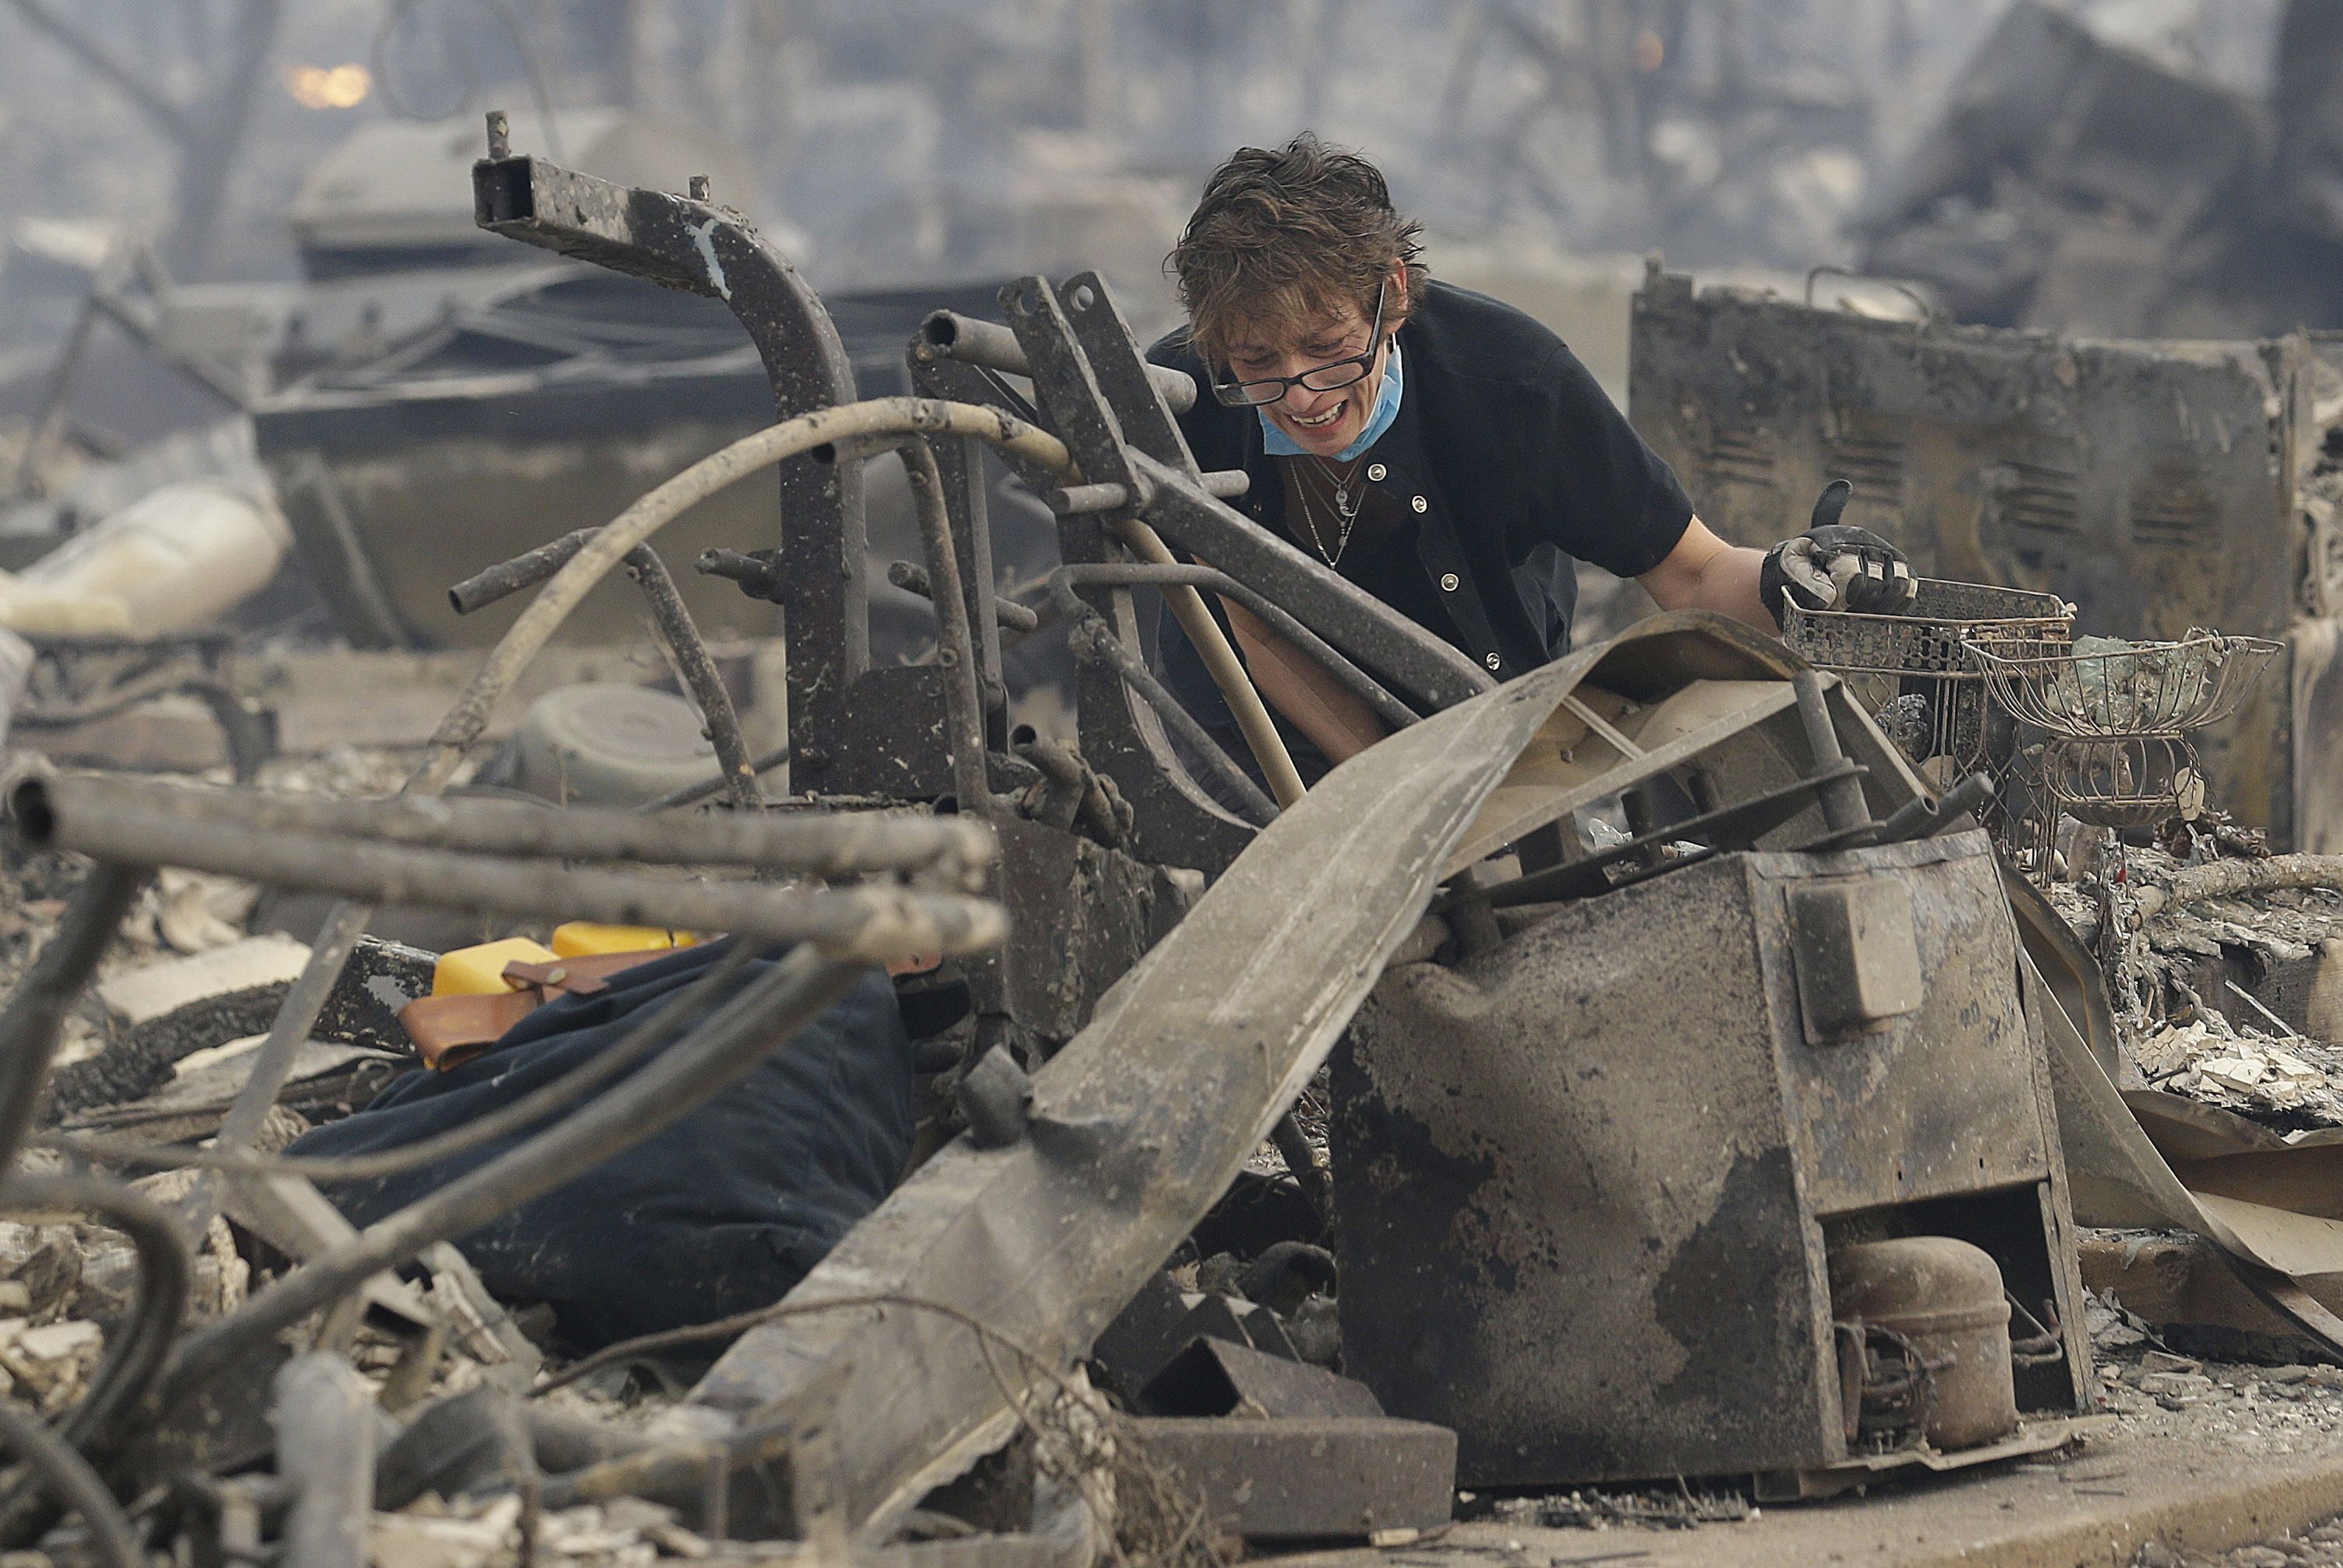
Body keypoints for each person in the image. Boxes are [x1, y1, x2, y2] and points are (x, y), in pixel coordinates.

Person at [1147, 135, 1913, 782]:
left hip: (1487, 755)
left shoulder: (1513, 385)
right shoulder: (1175, 398)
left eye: (1328, 349)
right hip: (1245, 770)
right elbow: (1248, 627)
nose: (1304, 394)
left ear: (1394, 295)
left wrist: (1792, 576)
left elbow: (1694, 573)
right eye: (1259, 362)